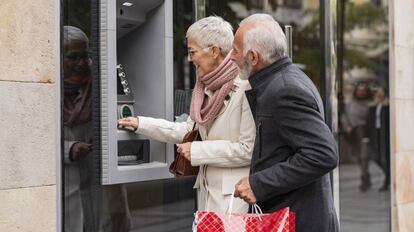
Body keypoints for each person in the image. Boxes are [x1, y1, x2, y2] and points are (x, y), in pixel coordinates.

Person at [118, 16, 256, 213]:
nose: (189, 59)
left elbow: (247, 150)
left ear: (214, 51)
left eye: (192, 52)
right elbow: (189, 129)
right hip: (209, 197)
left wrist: (199, 150)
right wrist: (141, 124)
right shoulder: (206, 88)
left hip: (234, 201)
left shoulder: (245, 88)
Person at [231, 14, 339, 231]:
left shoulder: (284, 90)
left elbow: (323, 154)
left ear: (253, 57)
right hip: (292, 217)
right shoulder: (284, 81)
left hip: (296, 221)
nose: (231, 57)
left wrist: (258, 184)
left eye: (235, 50)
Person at [63, 26, 130, 232]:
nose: (82, 64)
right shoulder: (45, 90)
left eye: (85, 56)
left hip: (102, 187)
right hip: (66, 190)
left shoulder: (102, 84)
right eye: (73, 57)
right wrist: (69, 148)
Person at [341, 82, 372, 192]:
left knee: (364, 157)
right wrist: (347, 126)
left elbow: (370, 119)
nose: (361, 92)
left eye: (363, 90)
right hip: (351, 133)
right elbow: (344, 115)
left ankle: (364, 178)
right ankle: (366, 175)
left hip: (363, 132)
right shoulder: (350, 102)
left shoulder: (369, 103)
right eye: (359, 90)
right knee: (359, 157)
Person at [366, 87, 390, 191]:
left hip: (386, 135)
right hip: (376, 134)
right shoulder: (374, 106)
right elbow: (370, 122)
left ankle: (386, 181)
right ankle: (389, 174)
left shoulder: (387, 106)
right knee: (376, 157)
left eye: (381, 92)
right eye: (378, 92)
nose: (379, 94)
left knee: (386, 159)